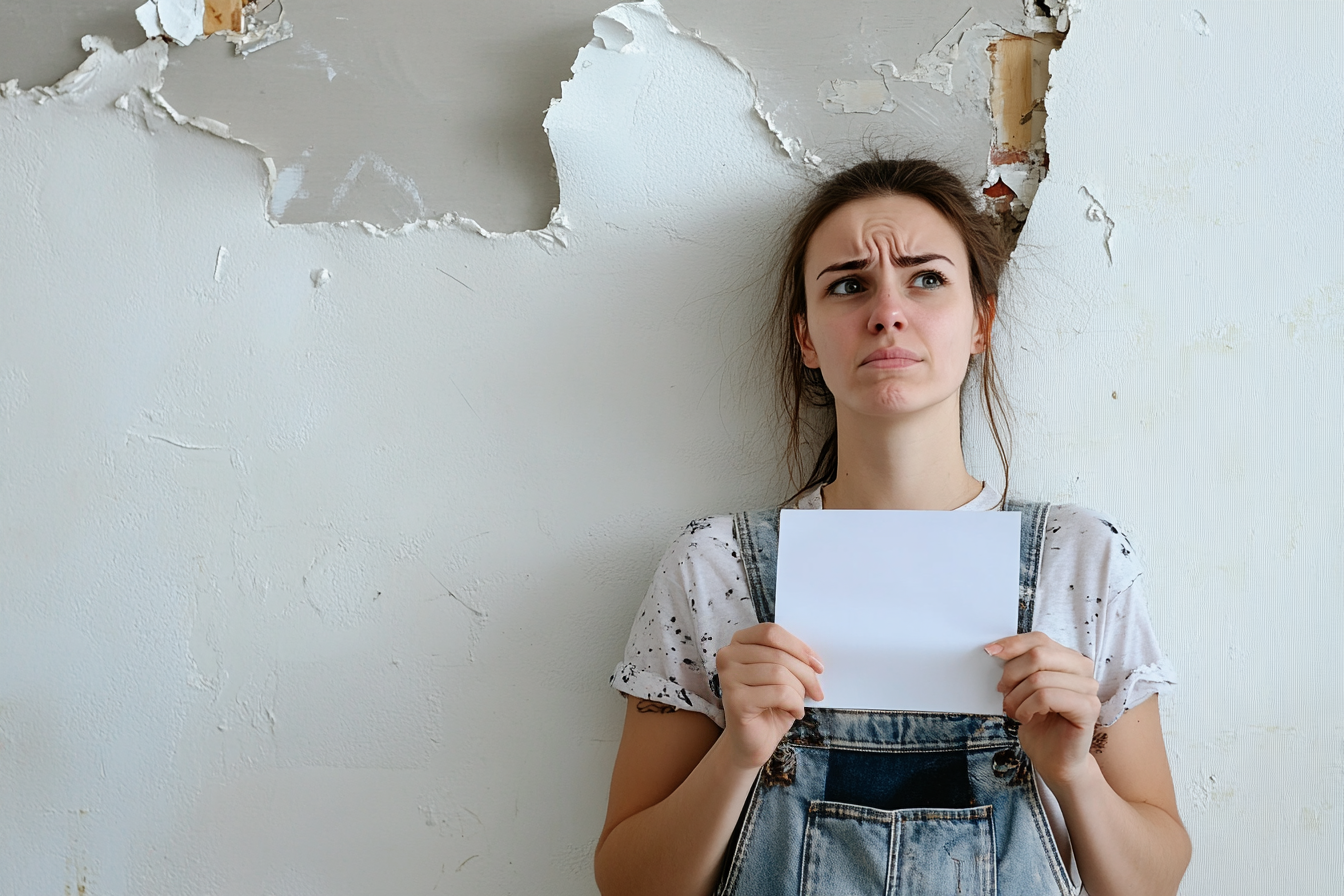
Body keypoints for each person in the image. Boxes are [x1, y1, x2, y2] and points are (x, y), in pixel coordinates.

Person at [593, 159, 1191, 896]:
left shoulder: (1081, 557)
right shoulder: (713, 565)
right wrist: (739, 753)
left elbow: (1152, 882)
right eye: (849, 284)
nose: (887, 312)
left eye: (927, 278)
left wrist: (1073, 772)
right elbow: (628, 884)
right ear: (807, 338)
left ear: (982, 321)